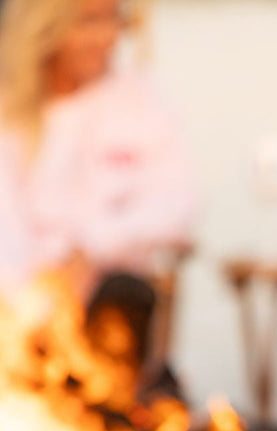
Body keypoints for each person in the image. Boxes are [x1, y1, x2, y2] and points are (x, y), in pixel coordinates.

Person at [0, 0, 195, 361]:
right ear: (44, 27)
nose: (106, 37)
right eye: (88, 22)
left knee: (123, 297)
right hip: (19, 310)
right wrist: (36, 293)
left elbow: (177, 206)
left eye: (114, 20)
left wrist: (91, 249)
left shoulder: (140, 100)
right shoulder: (9, 106)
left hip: (109, 310)